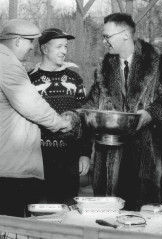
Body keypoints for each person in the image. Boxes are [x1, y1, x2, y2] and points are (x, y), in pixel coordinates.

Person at [83, 13, 162, 210]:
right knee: (109, 215)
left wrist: (151, 114)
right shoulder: (103, 69)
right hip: (109, 155)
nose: (104, 41)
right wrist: (75, 118)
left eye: (107, 36)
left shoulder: (159, 63)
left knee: (145, 213)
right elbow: (91, 105)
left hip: (146, 154)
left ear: (126, 34)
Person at [0, 19, 72, 217]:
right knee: (13, 225)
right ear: (17, 41)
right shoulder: (7, 64)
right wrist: (62, 124)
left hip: (6, 163)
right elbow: (31, 104)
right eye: (30, 41)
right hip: (10, 167)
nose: (32, 47)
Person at [29, 28, 91, 205]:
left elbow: (84, 117)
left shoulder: (74, 79)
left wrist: (85, 153)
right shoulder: (29, 80)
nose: (64, 51)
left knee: (67, 211)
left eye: (65, 46)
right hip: (38, 158)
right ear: (44, 49)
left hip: (69, 159)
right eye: (59, 47)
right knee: (39, 211)